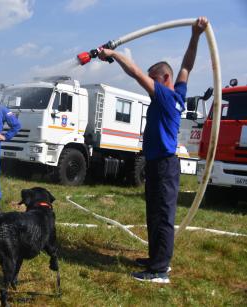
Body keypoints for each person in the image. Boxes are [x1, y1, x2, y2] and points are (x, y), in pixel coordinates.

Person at [98, 16, 208, 283]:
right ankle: (157, 259)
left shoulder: (165, 95)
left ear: (163, 79)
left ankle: (159, 271)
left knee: (162, 216)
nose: (151, 84)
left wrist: (113, 53)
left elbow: (135, 72)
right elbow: (187, 65)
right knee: (156, 214)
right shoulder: (178, 94)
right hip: (160, 164)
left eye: (154, 80)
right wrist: (195, 35)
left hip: (164, 165)